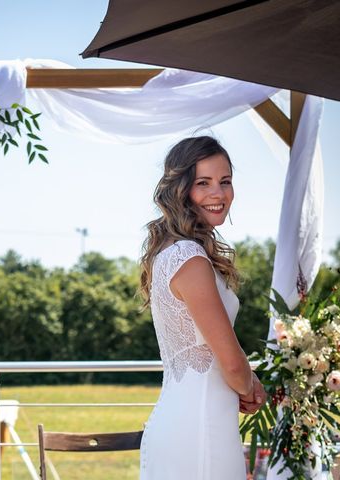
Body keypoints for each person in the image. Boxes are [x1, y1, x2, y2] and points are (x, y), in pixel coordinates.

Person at [138, 136, 266, 479]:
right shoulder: (189, 259)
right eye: (203, 183)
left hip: (186, 421)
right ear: (180, 189)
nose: (218, 194)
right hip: (200, 429)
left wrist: (243, 385)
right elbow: (231, 362)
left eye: (225, 182)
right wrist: (252, 387)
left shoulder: (171, 253)